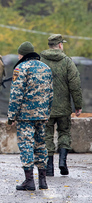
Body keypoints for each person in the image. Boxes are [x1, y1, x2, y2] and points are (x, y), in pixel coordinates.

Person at [8, 42, 53, 191]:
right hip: (42, 114)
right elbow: (51, 93)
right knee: (41, 145)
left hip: (25, 116)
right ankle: (43, 181)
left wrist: (11, 116)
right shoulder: (46, 68)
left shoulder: (20, 68)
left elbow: (16, 94)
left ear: (21, 55)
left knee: (26, 145)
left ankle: (29, 181)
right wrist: (47, 112)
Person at [40, 34, 83, 176]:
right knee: (64, 132)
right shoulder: (67, 61)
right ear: (59, 45)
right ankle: (62, 162)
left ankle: (49, 167)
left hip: (45, 107)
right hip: (64, 107)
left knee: (47, 135)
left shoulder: (40, 61)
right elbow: (75, 85)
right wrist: (78, 105)